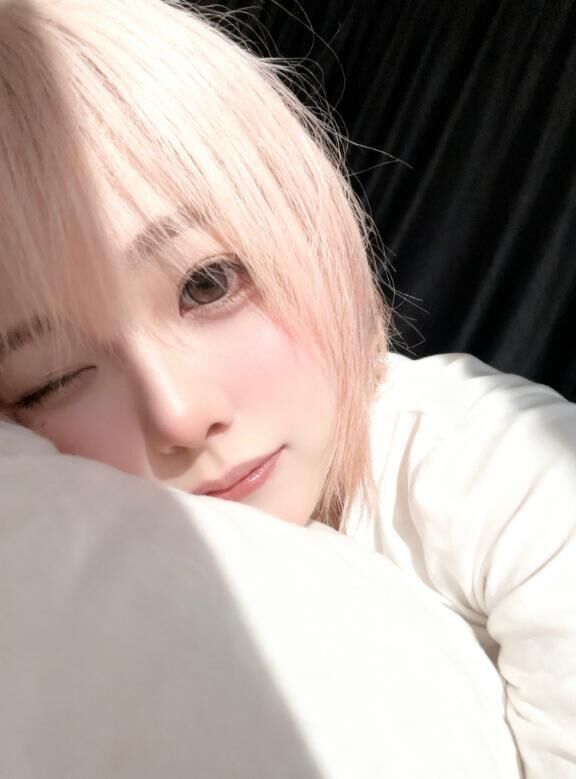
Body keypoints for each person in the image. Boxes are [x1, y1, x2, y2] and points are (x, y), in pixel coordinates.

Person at [0, 0, 574, 776]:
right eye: (55, 378)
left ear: (308, 223)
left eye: (207, 284)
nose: (180, 414)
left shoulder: (501, 469)